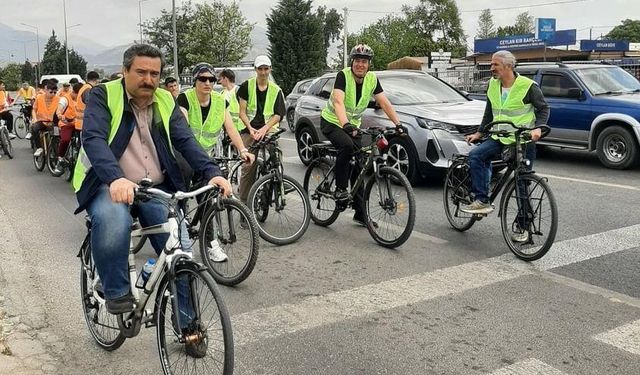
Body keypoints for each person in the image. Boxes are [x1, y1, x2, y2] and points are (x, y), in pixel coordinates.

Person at [72, 44, 231, 319]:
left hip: (153, 187)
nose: (149, 79)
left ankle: (188, 324)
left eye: (154, 73)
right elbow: (94, 139)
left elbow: (186, 140)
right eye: (141, 72)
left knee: (180, 253)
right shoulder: (103, 95)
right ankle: (116, 290)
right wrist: (115, 179)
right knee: (114, 222)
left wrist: (211, 171)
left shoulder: (165, 99)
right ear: (124, 71)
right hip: (107, 183)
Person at [462, 50, 549, 242]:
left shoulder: (528, 86)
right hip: (499, 137)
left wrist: (538, 129)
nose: (491, 68)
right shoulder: (493, 84)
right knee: (476, 156)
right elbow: (489, 112)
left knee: (522, 183)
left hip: (523, 140)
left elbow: (543, 109)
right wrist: (479, 133)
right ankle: (481, 200)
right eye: (491, 65)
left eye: (495, 65)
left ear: (508, 66)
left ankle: (523, 227)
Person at [176, 63, 255, 262]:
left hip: (206, 159)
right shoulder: (186, 98)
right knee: (181, 187)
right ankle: (180, 220)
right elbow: (183, 132)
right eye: (202, 79)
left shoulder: (220, 102)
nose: (208, 83)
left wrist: (243, 149)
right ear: (194, 81)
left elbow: (230, 129)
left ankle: (211, 243)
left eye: (211, 79)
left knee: (208, 198)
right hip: (184, 155)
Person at [320, 44, 403, 226]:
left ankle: (360, 213)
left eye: (364, 61)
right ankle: (341, 189)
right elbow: (339, 102)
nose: (360, 64)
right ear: (352, 62)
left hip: (353, 125)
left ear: (369, 64)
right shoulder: (343, 76)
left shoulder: (372, 79)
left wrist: (398, 124)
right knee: (347, 146)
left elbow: (384, 103)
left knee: (360, 164)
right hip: (333, 122)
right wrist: (345, 125)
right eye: (357, 61)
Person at [237, 55, 286, 205]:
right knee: (248, 167)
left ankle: (275, 188)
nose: (263, 72)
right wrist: (251, 129)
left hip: (268, 129)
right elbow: (242, 112)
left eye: (266, 69)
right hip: (249, 129)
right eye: (260, 69)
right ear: (255, 70)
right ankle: (244, 206)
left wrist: (265, 129)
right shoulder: (246, 86)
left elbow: (278, 114)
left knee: (276, 157)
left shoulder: (276, 90)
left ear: (270, 69)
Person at [53, 82, 80, 174]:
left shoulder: (84, 99)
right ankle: (60, 159)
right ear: (75, 92)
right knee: (65, 140)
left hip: (79, 125)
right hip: (66, 124)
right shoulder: (65, 99)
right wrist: (60, 115)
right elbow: (59, 109)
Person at [28, 82, 60, 153]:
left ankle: (56, 152)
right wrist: (35, 119)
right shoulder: (39, 98)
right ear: (46, 90)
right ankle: (39, 148)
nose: (53, 94)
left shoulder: (58, 99)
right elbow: (34, 110)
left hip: (53, 123)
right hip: (41, 121)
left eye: (55, 92)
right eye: (51, 92)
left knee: (56, 134)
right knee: (34, 128)